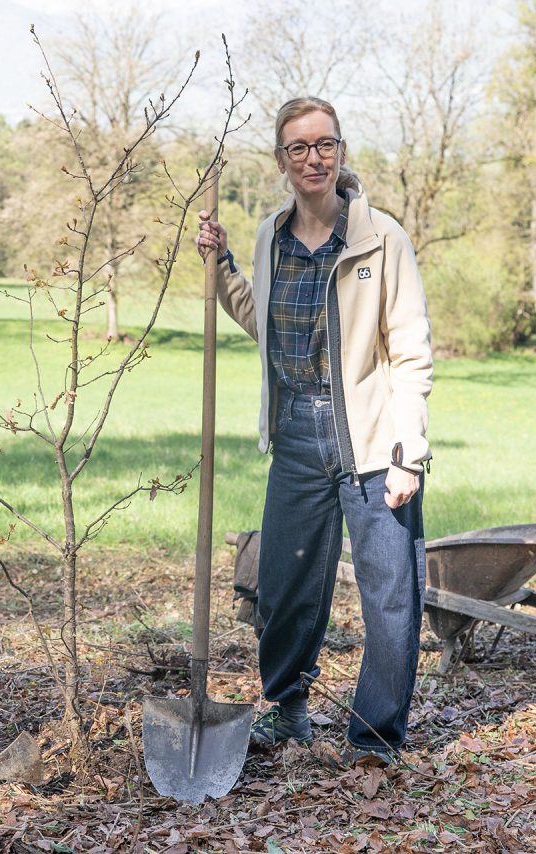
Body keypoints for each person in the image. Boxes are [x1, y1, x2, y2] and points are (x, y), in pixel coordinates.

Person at [197, 96, 432, 765]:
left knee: (389, 589)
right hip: (297, 430)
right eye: (298, 148)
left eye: (324, 144)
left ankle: (376, 737)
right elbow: (261, 319)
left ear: (341, 151)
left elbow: (411, 350)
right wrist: (220, 266)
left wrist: (407, 454)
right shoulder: (271, 235)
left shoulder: (380, 238)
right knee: (287, 580)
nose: (313, 158)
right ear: (281, 161)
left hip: (372, 434)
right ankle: (289, 709)